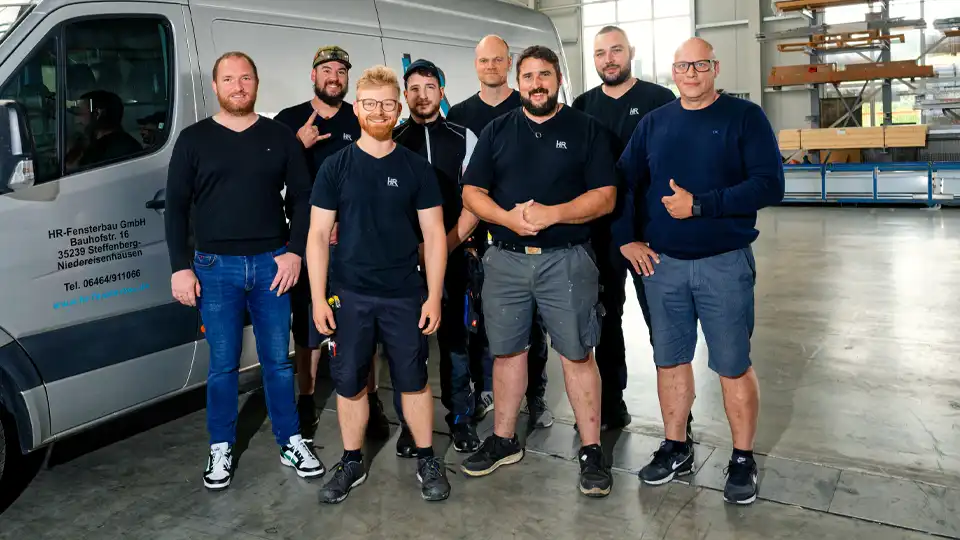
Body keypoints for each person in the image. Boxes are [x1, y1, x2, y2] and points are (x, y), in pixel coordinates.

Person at [613, 37, 784, 505]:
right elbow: (622, 181)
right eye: (683, 66)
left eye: (700, 64)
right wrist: (625, 238)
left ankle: (743, 458)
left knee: (732, 364)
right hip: (663, 266)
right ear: (673, 71)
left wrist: (701, 205)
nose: (691, 73)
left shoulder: (744, 117)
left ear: (715, 67)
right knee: (669, 360)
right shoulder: (654, 123)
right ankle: (676, 446)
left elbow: (770, 185)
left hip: (723, 263)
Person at [459, 45, 616, 498]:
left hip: (566, 259)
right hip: (505, 259)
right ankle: (504, 439)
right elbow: (472, 192)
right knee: (507, 352)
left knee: (577, 354)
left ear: (558, 78)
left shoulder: (586, 129)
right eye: (528, 76)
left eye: (544, 75)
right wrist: (507, 219)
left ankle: (591, 451)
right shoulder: (498, 130)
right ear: (519, 81)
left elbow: (605, 196)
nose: (536, 84)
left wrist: (553, 213)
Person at [165, 51, 325, 491]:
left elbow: (303, 198)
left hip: (273, 265)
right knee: (222, 365)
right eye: (229, 79)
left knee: (277, 362)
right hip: (214, 269)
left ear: (256, 83)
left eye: (246, 78)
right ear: (215, 86)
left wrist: (294, 252)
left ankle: (290, 440)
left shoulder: (280, 137)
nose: (238, 86)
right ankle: (220, 445)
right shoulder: (194, 140)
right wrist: (180, 268)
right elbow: (176, 207)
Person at [306, 65, 451, 504]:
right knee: (350, 382)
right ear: (357, 107)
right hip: (349, 294)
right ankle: (351, 460)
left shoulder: (416, 168)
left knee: (414, 380)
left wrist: (434, 295)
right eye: (370, 103)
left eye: (388, 103)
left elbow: (434, 236)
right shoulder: (335, 167)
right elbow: (317, 235)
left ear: (398, 107)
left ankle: (426, 457)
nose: (379, 111)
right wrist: (318, 298)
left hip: (404, 294)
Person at [571, 25, 694, 435]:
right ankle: (611, 405)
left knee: (664, 322)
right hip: (601, 234)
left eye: (616, 50)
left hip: (651, 235)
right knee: (606, 321)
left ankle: (680, 415)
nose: (609, 59)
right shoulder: (582, 106)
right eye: (600, 53)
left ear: (631, 52)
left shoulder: (660, 101)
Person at [273, 46, 391, 438]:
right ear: (313, 75)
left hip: (356, 242)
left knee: (363, 324)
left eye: (341, 71)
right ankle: (306, 400)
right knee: (308, 327)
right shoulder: (289, 121)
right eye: (327, 70)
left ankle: (371, 399)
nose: (334, 77)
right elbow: (266, 178)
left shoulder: (359, 118)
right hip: (307, 241)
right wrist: (296, 145)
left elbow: (376, 175)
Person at [447, 34, 552, 430]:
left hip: (527, 234)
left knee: (533, 322)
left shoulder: (530, 105)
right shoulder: (460, 113)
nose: (490, 66)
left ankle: (535, 394)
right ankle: (486, 389)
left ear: (510, 64)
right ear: (475, 65)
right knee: (481, 322)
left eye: (497, 60)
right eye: (483, 60)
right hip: (477, 237)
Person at [392, 59, 483, 455]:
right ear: (405, 94)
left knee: (455, 343)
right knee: (406, 347)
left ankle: (461, 419)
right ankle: (411, 427)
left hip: (454, 255)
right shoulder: (393, 140)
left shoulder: (464, 137)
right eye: (414, 88)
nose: (422, 95)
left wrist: (443, 247)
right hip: (406, 263)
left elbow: (476, 200)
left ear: (442, 92)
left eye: (430, 87)